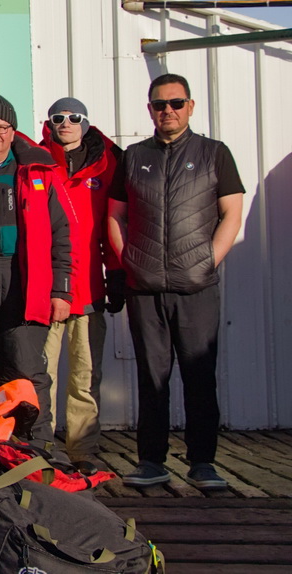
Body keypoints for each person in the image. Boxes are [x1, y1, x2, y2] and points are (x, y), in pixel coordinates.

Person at [108, 73, 244, 490]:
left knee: (199, 376)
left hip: (196, 286)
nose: (168, 110)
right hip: (145, 287)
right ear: (149, 109)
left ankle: (203, 463)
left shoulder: (214, 153)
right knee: (153, 377)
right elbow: (115, 215)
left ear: (191, 106)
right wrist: (128, 261)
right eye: (159, 104)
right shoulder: (133, 157)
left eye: (176, 103)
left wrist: (208, 261)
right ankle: (151, 461)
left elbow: (232, 213)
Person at [0, 92, 73, 448]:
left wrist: (62, 289)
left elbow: (63, 232)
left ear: (12, 131)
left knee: (25, 365)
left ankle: (37, 444)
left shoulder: (37, 170)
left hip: (24, 275)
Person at [39, 97, 125, 475]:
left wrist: (117, 272)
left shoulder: (108, 162)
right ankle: (40, 445)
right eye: (59, 118)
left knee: (85, 375)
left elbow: (116, 221)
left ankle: (82, 449)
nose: (66, 123)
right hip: (45, 288)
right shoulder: (35, 160)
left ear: (86, 121)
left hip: (90, 286)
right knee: (42, 374)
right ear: (50, 123)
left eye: (74, 117)